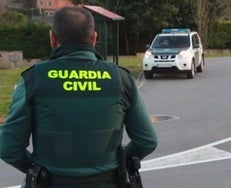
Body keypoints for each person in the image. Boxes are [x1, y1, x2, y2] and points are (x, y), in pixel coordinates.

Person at [0, 6, 157, 188]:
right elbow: (147, 141)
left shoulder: (34, 79)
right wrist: (119, 162)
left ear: (52, 38)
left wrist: (37, 169)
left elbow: (8, 148)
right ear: (94, 38)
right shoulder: (121, 79)